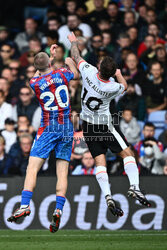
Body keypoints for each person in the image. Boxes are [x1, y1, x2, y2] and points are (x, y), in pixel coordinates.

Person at [68, 32, 151, 218]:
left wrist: (73, 42)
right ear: (112, 73)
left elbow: (76, 55)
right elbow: (125, 86)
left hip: (87, 125)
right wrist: (119, 74)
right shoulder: (113, 87)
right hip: (105, 125)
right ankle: (135, 187)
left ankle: (107, 195)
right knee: (127, 153)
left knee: (100, 161)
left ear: (98, 67)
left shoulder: (88, 72)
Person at [7, 44, 79, 233]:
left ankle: (24, 206)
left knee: (32, 168)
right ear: (50, 62)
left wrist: (49, 58)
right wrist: (67, 58)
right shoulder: (63, 74)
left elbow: (41, 73)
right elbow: (74, 72)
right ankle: (58, 209)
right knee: (62, 172)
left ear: (35, 66)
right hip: (66, 127)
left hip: (48, 127)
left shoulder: (34, 83)